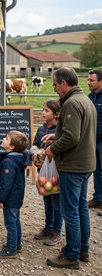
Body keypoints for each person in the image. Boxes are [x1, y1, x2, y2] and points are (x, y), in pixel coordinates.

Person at [43, 67, 96, 270]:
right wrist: (57, 135)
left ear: (64, 83)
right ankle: (82, 249)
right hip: (85, 163)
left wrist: (52, 150)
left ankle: (71, 255)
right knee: (81, 207)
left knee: (70, 211)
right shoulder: (85, 100)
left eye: (55, 84)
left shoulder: (71, 103)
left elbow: (73, 137)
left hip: (73, 166)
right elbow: (78, 131)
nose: (55, 88)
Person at [31, 100, 63, 246]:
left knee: (56, 202)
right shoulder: (41, 129)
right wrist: (36, 154)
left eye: (47, 111)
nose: (43, 113)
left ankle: (57, 231)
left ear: (56, 114)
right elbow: (34, 145)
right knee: (47, 201)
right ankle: (48, 227)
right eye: (43, 110)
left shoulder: (60, 131)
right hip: (43, 170)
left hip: (56, 171)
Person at [0, 130, 29, 259]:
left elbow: (6, 183)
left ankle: (11, 249)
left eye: (6, 138)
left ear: (12, 146)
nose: (3, 139)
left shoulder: (8, 161)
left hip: (10, 198)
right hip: (17, 197)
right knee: (16, 221)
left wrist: (1, 199)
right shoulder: (17, 159)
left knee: (10, 224)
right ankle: (17, 244)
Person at [87, 69, 102, 214]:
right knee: (97, 170)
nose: (88, 82)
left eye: (92, 80)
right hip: (92, 140)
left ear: (101, 81)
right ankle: (98, 198)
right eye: (88, 79)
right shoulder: (90, 97)